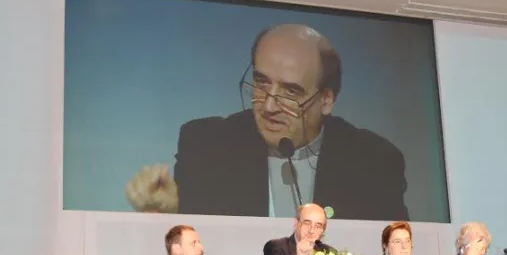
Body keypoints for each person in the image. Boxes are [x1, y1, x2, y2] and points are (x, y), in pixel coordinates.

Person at [173, 24, 408, 221]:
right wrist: (158, 212)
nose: (269, 107)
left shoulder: (375, 162)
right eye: (261, 83)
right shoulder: (206, 146)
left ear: (326, 100)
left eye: (291, 92)